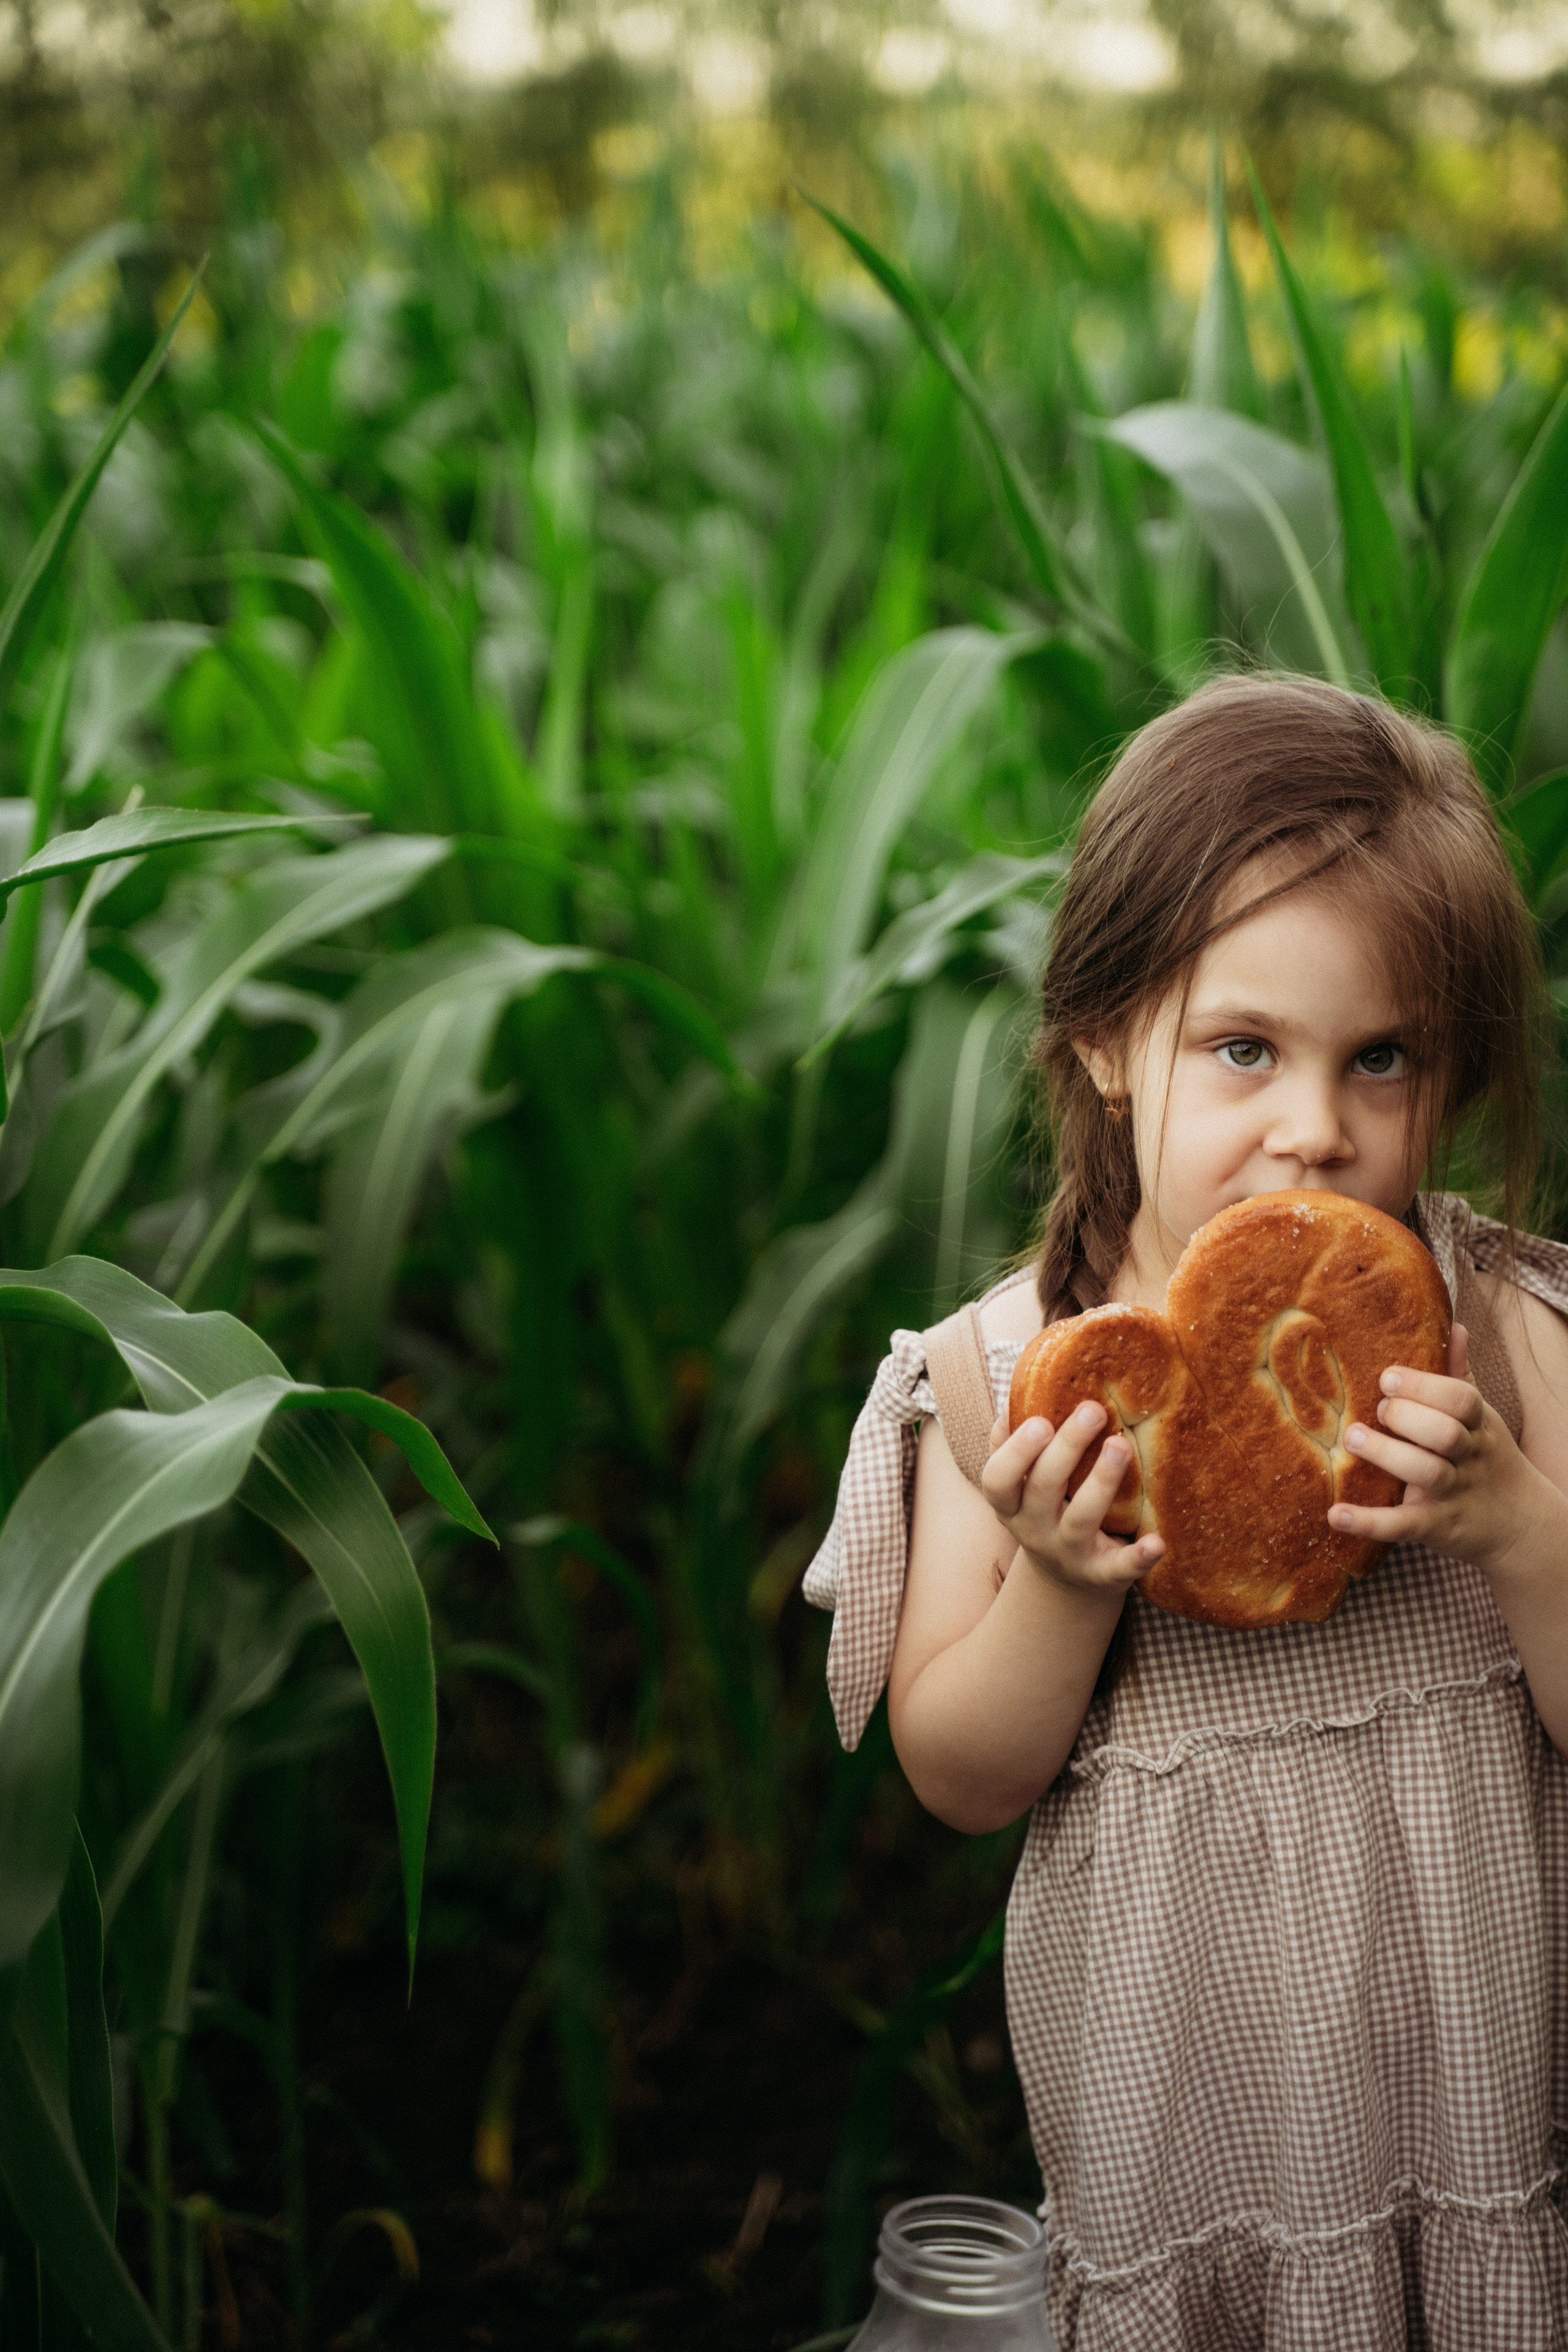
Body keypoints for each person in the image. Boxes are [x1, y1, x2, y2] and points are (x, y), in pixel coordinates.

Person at [804, 674, 1568, 2350]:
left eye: (1385, 1059)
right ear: (1102, 1036)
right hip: (1192, 2149)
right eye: (1245, 1049)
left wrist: (1518, 1528)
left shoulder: (1501, 1336)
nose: (1317, 1128)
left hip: (1486, 2111)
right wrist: (1065, 1583)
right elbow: (961, 1772)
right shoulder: (1014, 1378)